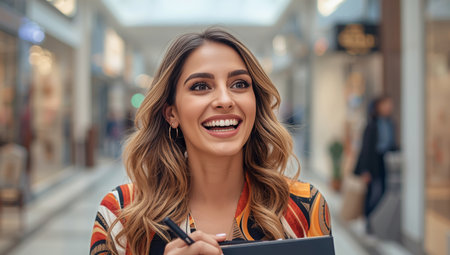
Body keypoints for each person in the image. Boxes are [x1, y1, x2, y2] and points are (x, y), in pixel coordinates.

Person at [90, 28, 331, 255]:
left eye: (239, 84)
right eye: (201, 86)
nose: (225, 100)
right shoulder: (121, 214)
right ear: (171, 113)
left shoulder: (304, 207)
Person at [353, 96, 397, 234]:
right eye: (386, 104)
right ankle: (368, 222)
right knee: (372, 192)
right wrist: (365, 170)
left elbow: (391, 144)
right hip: (373, 163)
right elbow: (366, 149)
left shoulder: (390, 123)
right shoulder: (371, 124)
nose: (389, 107)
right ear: (378, 106)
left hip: (385, 161)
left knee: (383, 191)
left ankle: (375, 221)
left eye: (390, 104)